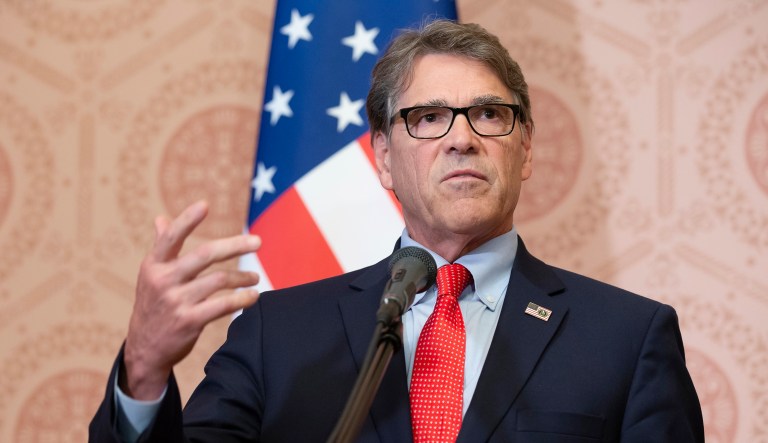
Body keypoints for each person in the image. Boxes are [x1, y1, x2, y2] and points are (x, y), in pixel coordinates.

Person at [90, 20, 704, 442]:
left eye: (490, 114)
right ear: (383, 155)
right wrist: (142, 372)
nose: (462, 138)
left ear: (525, 149)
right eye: (429, 117)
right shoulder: (276, 335)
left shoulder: (627, 338)